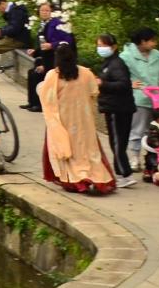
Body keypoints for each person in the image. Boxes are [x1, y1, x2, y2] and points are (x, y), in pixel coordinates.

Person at [39, 42, 117, 195]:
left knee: (68, 149)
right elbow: (94, 92)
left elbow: (46, 99)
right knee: (88, 150)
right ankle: (95, 177)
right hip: (84, 119)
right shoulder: (86, 73)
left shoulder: (53, 76)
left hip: (63, 119)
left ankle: (78, 179)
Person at [122, 26, 159, 173]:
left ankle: (158, 158)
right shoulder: (127, 56)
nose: (154, 44)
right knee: (138, 129)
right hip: (139, 99)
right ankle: (135, 158)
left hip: (156, 98)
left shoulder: (156, 55)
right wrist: (129, 83)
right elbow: (119, 74)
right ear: (142, 42)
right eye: (152, 41)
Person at [95, 34, 139, 185]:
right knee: (119, 141)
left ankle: (124, 174)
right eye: (98, 46)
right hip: (118, 106)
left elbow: (123, 84)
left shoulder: (116, 64)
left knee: (117, 142)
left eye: (102, 46)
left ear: (113, 47)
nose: (100, 49)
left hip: (117, 108)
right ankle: (122, 172)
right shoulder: (109, 63)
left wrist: (102, 84)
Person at [25, 2, 74, 111]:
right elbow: (43, 43)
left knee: (38, 75)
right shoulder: (44, 25)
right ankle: (32, 102)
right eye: (42, 10)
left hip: (55, 59)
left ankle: (39, 104)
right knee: (32, 73)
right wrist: (35, 52)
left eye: (47, 10)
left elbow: (66, 41)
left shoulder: (57, 24)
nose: (44, 13)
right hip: (45, 57)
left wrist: (52, 45)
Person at [0, 0, 32, 71]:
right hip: (12, 36)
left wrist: (1, 32)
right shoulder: (10, 10)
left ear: (2, 3)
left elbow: (15, 28)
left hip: (19, 40)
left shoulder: (17, 10)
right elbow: (10, 25)